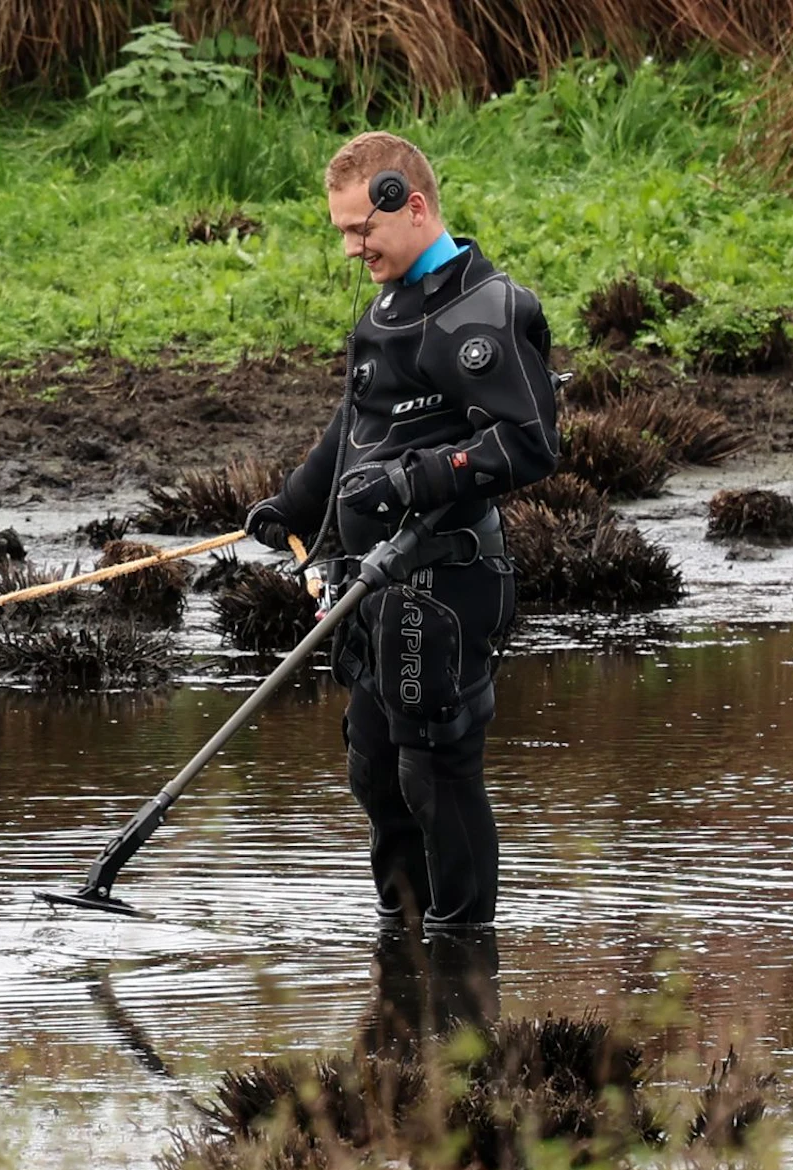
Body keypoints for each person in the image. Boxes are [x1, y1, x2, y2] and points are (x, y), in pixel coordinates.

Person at [245, 132, 559, 934]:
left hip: (445, 584)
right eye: (343, 232)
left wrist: (416, 480)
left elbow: (530, 444)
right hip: (368, 584)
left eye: (363, 231)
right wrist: (295, 504)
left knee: (435, 771)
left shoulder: (483, 311)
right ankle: (401, 941)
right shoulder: (388, 307)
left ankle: (462, 954)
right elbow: (359, 422)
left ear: (411, 206)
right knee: (375, 769)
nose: (352, 249)